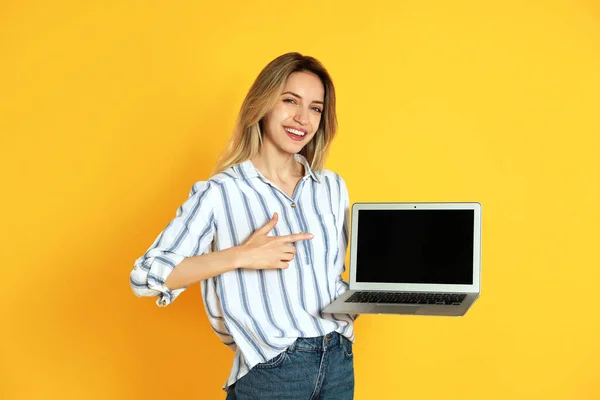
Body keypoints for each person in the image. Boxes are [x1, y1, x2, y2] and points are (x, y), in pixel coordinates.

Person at [130, 52, 356, 399]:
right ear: (262, 104)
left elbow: (329, 278)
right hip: (273, 370)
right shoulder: (220, 193)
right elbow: (146, 277)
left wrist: (382, 290)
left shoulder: (332, 187)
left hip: (339, 362)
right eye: (290, 101)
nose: (302, 118)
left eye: (316, 108)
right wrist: (239, 255)